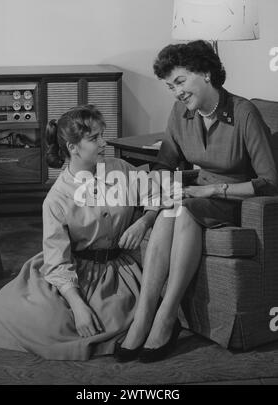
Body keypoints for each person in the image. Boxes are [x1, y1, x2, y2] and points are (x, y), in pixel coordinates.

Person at [115, 40, 278, 363]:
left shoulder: (245, 113)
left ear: (205, 73)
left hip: (235, 200)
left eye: (180, 81)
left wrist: (211, 192)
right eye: (169, 86)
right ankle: (146, 314)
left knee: (183, 209)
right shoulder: (181, 113)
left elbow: (270, 182)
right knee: (173, 210)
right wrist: (157, 198)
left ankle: (166, 315)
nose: (176, 92)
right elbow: (166, 163)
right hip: (194, 194)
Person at [0, 104, 158, 361]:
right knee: (49, 320)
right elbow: (58, 261)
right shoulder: (56, 199)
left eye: (101, 134)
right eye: (94, 138)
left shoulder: (120, 168)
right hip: (77, 270)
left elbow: (160, 193)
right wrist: (78, 305)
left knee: (118, 318)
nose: (103, 142)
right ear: (73, 148)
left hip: (121, 269)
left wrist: (144, 221)